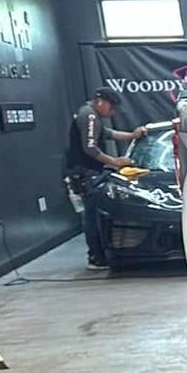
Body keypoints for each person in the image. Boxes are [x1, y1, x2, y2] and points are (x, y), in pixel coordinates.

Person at [66, 88, 140, 267]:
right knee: (92, 216)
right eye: (111, 108)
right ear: (102, 102)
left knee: (93, 215)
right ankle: (97, 257)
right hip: (86, 173)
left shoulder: (90, 115)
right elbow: (90, 148)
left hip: (85, 172)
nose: (112, 113)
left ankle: (97, 255)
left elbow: (108, 133)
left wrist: (132, 135)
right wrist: (115, 162)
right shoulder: (90, 116)